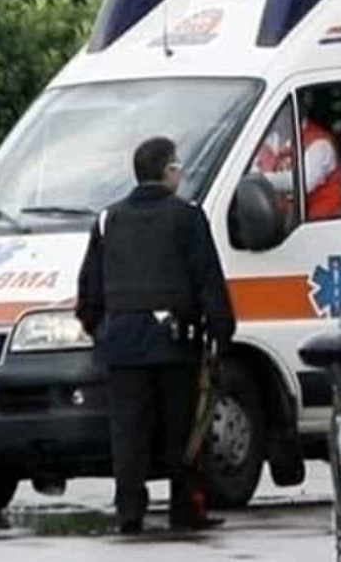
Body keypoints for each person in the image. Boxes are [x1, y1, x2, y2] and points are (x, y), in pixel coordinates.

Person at [76, 136, 235, 534]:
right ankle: (186, 509)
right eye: (177, 167)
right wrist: (221, 332)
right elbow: (208, 280)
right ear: (168, 171)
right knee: (182, 431)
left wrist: (101, 329)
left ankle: (129, 511)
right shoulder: (187, 217)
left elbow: (89, 289)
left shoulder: (108, 219)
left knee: (128, 433)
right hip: (173, 343)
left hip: (121, 345)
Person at [252, 112, 341, 220]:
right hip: (294, 219)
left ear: (291, 114)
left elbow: (302, 182)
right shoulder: (279, 137)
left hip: (325, 219)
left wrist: (258, 180)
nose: (272, 121)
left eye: (277, 115)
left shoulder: (320, 143)